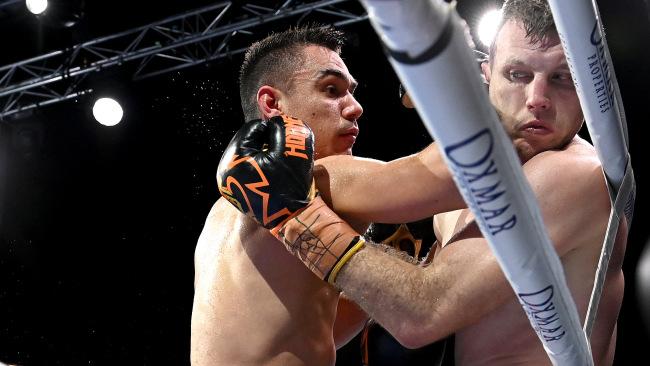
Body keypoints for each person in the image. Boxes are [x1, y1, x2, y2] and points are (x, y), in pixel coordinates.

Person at [218, 0, 629, 365]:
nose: (537, 98)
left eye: (562, 78)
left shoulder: (574, 173)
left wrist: (298, 216)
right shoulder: (318, 181)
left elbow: (416, 313)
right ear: (489, 77)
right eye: (518, 74)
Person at [191, 25, 464, 366]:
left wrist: (392, 268)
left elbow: (317, 328)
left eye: (351, 91)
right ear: (273, 103)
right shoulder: (318, 175)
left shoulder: (221, 215)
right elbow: (455, 174)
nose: (356, 107)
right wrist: (470, 79)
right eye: (331, 90)